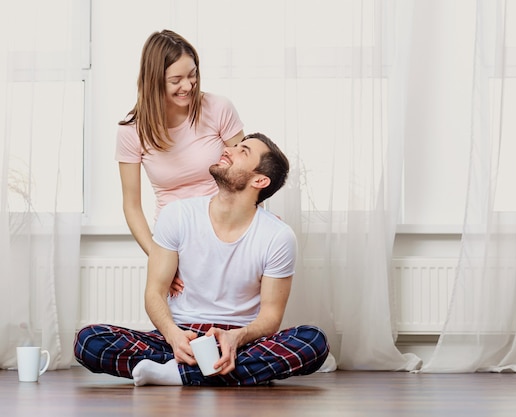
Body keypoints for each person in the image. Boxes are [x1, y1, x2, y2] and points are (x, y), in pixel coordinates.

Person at [75, 133, 330, 386]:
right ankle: (224, 372)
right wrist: (174, 337)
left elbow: (271, 317)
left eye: (243, 152)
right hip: (180, 335)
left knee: (314, 341)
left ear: (260, 180)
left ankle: (174, 374)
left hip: (239, 342)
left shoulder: (278, 236)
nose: (229, 150)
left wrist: (236, 338)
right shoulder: (177, 214)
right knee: (89, 340)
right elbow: (154, 293)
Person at [116, 29, 245, 295]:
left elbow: (246, 171)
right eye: (176, 79)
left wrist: (255, 227)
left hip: (227, 229)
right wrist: (158, 256)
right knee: (184, 327)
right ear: (154, 81)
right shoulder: (132, 131)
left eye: (192, 75)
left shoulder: (218, 108)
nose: (187, 86)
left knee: (232, 323)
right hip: (176, 241)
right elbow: (131, 206)